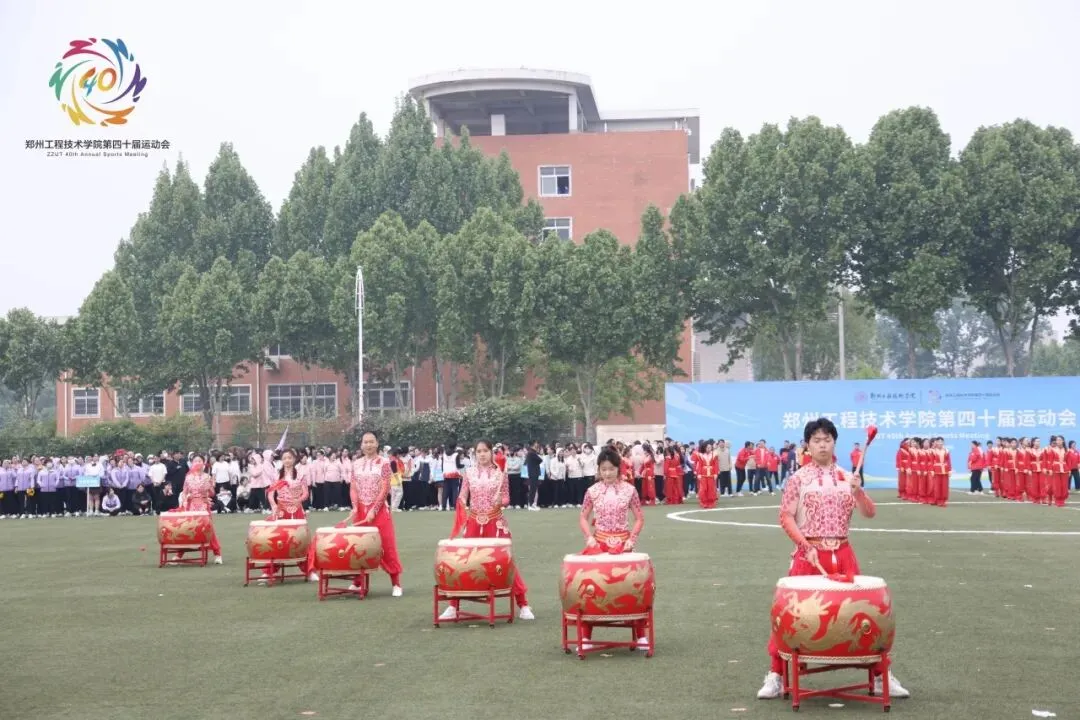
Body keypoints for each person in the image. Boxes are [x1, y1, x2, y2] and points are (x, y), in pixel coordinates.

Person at [757, 417, 909, 701]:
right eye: (816, 440)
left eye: (827, 440)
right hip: (809, 556)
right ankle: (776, 674)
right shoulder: (799, 478)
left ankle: (880, 675)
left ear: (834, 443)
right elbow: (785, 516)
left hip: (843, 553)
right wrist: (804, 545)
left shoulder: (847, 476)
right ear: (808, 445)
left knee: (865, 615)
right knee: (789, 616)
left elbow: (870, 512)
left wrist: (858, 491)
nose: (822, 445)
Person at [439, 440, 535, 622]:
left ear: (491, 452)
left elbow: (506, 498)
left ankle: (523, 604)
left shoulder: (501, 474)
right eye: (479, 451)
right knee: (463, 562)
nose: (482, 454)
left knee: (506, 563)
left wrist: (501, 502)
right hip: (474, 521)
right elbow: (463, 494)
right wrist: (462, 502)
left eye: (485, 451)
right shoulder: (469, 473)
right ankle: (453, 605)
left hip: (495, 521)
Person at [576, 446, 647, 650]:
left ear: (618, 468)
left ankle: (641, 635)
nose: (607, 473)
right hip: (599, 544)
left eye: (611, 469)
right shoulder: (592, 491)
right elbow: (583, 517)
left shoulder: (629, 490)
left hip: (623, 545)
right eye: (603, 469)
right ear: (599, 469)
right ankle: (586, 636)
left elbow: (639, 518)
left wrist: (632, 539)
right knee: (592, 588)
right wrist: (589, 538)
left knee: (632, 587)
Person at [343, 431, 403, 596]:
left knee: (387, 545)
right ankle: (357, 581)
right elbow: (353, 487)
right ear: (361, 445)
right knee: (358, 546)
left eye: (371, 442)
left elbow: (385, 487)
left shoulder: (384, 463)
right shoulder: (356, 464)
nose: (368, 445)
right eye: (365, 442)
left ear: (377, 444)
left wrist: (374, 510)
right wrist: (355, 506)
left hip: (379, 511)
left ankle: (396, 583)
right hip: (361, 510)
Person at [263, 448, 312, 583]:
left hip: (297, 510)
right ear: (281, 460)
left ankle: (309, 570)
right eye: (284, 458)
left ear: (294, 459)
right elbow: (270, 493)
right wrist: (274, 505)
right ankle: (269, 571)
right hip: (282, 510)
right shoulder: (277, 474)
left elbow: (306, 493)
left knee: (301, 540)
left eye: (289, 458)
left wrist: (299, 500)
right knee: (278, 540)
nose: (287, 460)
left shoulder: (300, 474)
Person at [177, 454, 223, 564]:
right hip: (191, 505)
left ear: (203, 463)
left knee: (208, 529)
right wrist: (186, 499)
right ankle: (179, 554)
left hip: (203, 505)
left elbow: (212, 493)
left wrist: (210, 486)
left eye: (199, 461)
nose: (197, 463)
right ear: (192, 463)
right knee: (188, 529)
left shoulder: (207, 477)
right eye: (195, 461)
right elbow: (184, 492)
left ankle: (217, 554)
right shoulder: (188, 477)